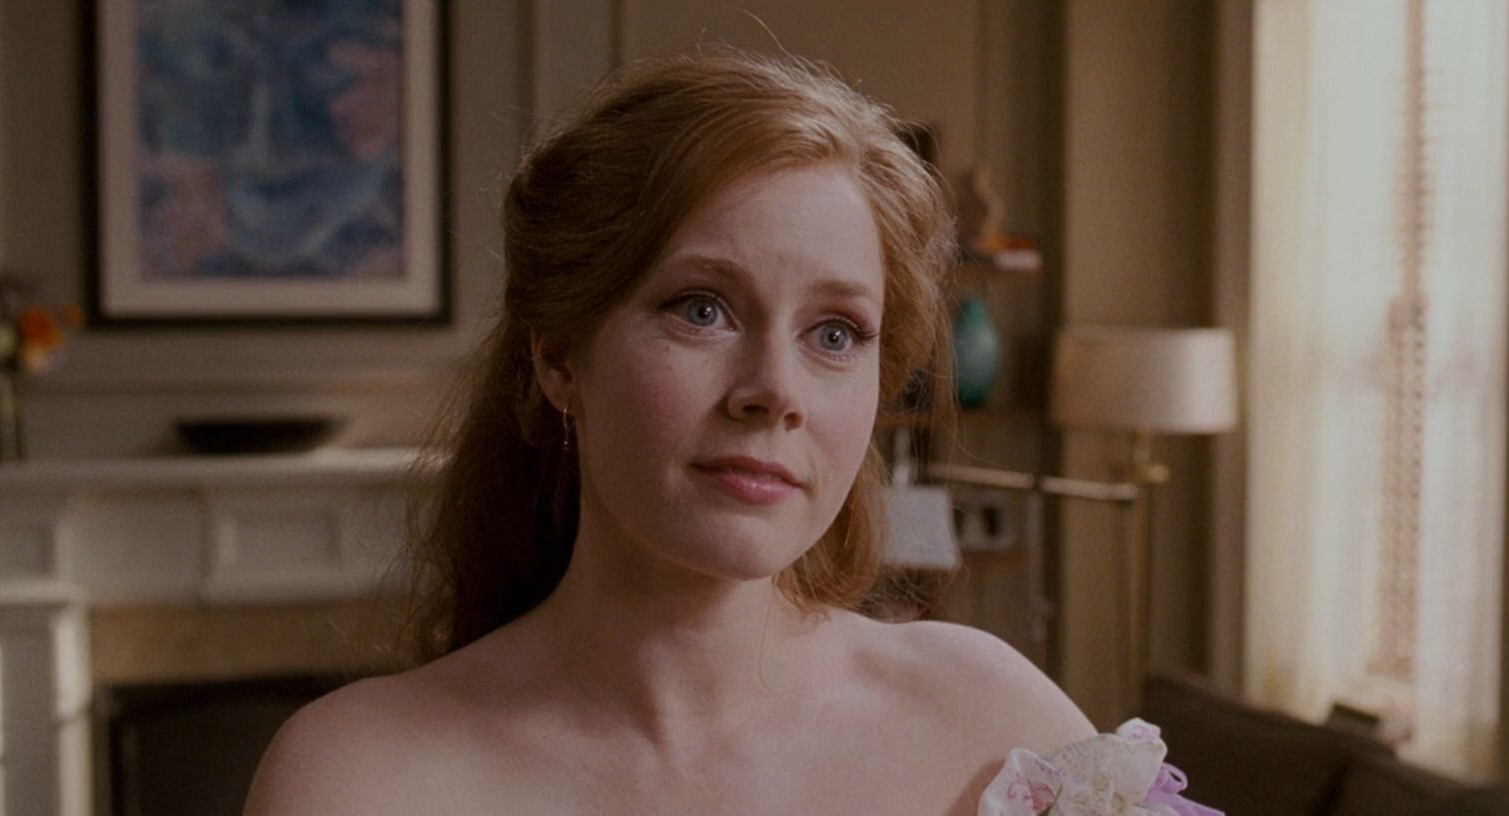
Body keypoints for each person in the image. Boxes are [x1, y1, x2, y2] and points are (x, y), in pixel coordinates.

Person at [243, 49, 1215, 816]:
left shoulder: (998, 731)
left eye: (835, 334)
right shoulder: (359, 778)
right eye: (701, 309)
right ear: (559, 358)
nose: (775, 392)